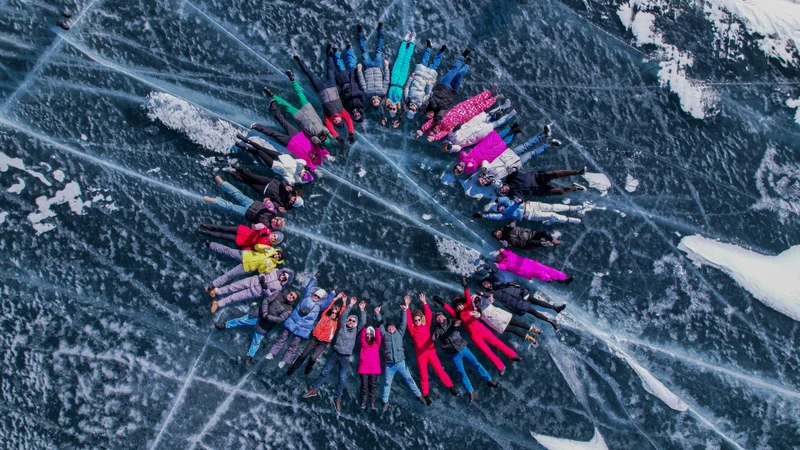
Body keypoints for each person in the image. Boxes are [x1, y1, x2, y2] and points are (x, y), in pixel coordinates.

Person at [434, 279, 519, 374]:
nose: (459, 307)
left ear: (463, 304)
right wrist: (442, 303)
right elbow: (450, 310)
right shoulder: (457, 316)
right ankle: (501, 367)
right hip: (474, 336)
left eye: (460, 305)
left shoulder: (469, 306)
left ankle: (513, 355)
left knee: (497, 342)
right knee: (486, 351)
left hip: (482, 330)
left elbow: (467, 297)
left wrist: (465, 286)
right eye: (457, 307)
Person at [302, 299, 367, 414]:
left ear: (355, 323)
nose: (351, 322)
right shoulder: (342, 326)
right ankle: (314, 390)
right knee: (324, 372)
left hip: (345, 357)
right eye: (350, 320)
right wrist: (350, 305)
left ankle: (337, 398)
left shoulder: (356, 330)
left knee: (342, 378)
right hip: (335, 354)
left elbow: (363, 322)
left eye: (353, 321)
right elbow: (343, 316)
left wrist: (362, 310)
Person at [213, 290, 299, 369]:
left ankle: (248, 357)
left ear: (294, 300)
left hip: (266, 324)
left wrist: (268, 317)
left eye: (293, 297)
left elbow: (280, 319)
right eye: (291, 294)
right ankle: (224, 325)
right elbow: (266, 301)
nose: (291, 297)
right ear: (288, 293)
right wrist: (265, 312)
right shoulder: (278, 294)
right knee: (240, 320)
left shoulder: (290, 309)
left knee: (257, 341)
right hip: (258, 314)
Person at [267, 274, 337, 368]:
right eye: (315, 295)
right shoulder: (306, 297)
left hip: (303, 328)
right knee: (282, 338)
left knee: (294, 345)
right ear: (313, 294)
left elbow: (328, 302)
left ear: (321, 299)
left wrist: (333, 293)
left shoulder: (320, 306)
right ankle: (272, 353)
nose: (316, 297)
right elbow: (308, 288)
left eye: (318, 297)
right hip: (292, 322)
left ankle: (284, 361)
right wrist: (314, 278)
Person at [431, 311, 499, 403]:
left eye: (441, 316)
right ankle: (471, 391)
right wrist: (434, 336)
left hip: (463, 348)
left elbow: (456, 322)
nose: (440, 318)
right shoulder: (438, 329)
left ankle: (489, 380)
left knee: (476, 363)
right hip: (453, 353)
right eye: (437, 318)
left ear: (444, 316)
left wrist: (457, 322)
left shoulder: (450, 321)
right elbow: (434, 337)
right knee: (461, 372)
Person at [248, 99, 333, 172]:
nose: (314, 156)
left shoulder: (306, 159)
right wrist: (327, 155)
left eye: (314, 158)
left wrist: (315, 170)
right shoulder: (315, 148)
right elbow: (322, 151)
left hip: (289, 143)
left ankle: (257, 126)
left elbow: (310, 166)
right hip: (297, 134)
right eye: (316, 155)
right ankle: (273, 107)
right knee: (283, 122)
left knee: (273, 133)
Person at [406, 293, 460, 405]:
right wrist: (407, 307)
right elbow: (408, 320)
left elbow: (429, 314)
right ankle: (426, 395)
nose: (417, 321)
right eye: (415, 320)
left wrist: (424, 302)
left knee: (440, 370)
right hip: (420, 355)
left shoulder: (426, 325)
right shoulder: (412, 330)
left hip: (431, 352)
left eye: (418, 320)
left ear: (421, 319)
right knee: (423, 375)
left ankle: (451, 387)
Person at [294, 50, 355, 145]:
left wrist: (337, 137)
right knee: (330, 70)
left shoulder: (328, 118)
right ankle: (329, 54)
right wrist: (351, 134)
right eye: (338, 121)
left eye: (335, 122)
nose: (336, 120)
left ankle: (299, 61)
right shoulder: (342, 112)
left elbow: (330, 128)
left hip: (320, 89)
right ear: (341, 119)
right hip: (332, 85)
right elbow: (349, 121)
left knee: (310, 75)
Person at [479, 267, 566, 330]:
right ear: (484, 287)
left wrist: (489, 270)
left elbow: (495, 275)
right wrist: (481, 293)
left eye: (486, 282)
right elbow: (486, 295)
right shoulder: (491, 293)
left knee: (537, 301)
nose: (486, 284)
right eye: (484, 285)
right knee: (534, 312)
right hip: (517, 303)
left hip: (519, 293)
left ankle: (555, 308)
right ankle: (551, 321)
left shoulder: (496, 283)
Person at [375, 304, 425, 410]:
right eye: (389, 327)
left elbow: (403, 323)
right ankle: (385, 402)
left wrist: (404, 311)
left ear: (395, 327)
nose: (391, 328)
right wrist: (377, 314)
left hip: (401, 363)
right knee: (387, 383)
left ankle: (419, 395)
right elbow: (380, 325)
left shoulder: (400, 332)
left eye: (392, 326)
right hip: (389, 365)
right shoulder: (384, 334)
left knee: (409, 379)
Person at [286, 295, 351, 376]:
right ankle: (293, 368)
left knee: (313, 357)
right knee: (303, 354)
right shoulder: (324, 315)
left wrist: (344, 302)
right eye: (333, 312)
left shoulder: (336, 322)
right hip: (314, 338)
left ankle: (309, 367)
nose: (334, 314)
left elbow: (342, 314)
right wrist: (336, 298)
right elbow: (329, 306)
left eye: (335, 313)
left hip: (323, 343)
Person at [263, 74, 334, 148]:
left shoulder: (313, 137)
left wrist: (319, 143)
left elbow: (313, 139)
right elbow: (326, 130)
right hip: (308, 109)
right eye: (325, 138)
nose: (323, 138)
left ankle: (272, 95)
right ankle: (293, 80)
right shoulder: (322, 129)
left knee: (286, 106)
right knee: (300, 95)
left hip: (299, 117)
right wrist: (330, 135)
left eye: (323, 141)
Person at [203, 176, 287, 230]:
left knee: (230, 206)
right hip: (251, 203)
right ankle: (222, 183)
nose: (275, 221)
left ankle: (214, 200)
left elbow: (259, 227)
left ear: (276, 226)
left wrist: (255, 227)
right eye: (277, 220)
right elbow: (270, 206)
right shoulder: (273, 213)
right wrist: (267, 201)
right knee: (237, 194)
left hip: (246, 213)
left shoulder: (267, 226)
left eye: (276, 223)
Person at [205, 241, 287, 295]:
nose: (277, 256)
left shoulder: (273, 265)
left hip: (248, 267)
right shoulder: (271, 249)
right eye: (278, 254)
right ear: (278, 251)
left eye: (279, 257)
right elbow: (256, 246)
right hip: (246, 255)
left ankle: (213, 284)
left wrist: (266, 266)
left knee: (230, 275)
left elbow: (260, 271)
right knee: (228, 251)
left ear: (279, 260)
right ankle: (211, 245)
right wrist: (263, 248)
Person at [416, 88, 498, 142]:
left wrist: (422, 130)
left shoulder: (437, 121)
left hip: (458, 108)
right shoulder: (445, 131)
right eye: (435, 133)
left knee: (474, 100)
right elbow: (440, 135)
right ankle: (494, 99)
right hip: (464, 116)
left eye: (433, 130)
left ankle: (490, 92)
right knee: (479, 108)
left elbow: (429, 123)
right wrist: (434, 138)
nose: (435, 131)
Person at [232, 136, 313, 185]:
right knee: (262, 149)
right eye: (304, 174)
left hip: (274, 165)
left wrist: (291, 183)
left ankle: (244, 147)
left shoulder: (294, 179)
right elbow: (299, 161)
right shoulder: (300, 168)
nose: (302, 175)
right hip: (281, 157)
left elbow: (288, 179)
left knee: (259, 152)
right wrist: (304, 164)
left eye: (303, 178)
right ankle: (246, 140)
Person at [207, 268, 295, 313]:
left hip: (254, 292)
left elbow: (270, 295)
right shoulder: (274, 271)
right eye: (283, 274)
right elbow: (263, 272)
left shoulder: (279, 287)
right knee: (233, 286)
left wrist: (265, 288)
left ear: (285, 280)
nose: (283, 276)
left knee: (235, 297)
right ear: (282, 273)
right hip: (251, 281)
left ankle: (218, 303)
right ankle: (216, 291)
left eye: (285, 278)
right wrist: (262, 277)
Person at [442, 100, 515, 151]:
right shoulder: (457, 146)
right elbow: (457, 148)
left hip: (473, 124)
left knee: (489, 115)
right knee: (495, 124)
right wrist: (451, 147)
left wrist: (455, 129)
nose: (447, 146)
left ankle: (504, 106)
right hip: (478, 134)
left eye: (446, 146)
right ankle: (508, 116)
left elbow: (452, 133)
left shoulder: (450, 137)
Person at [402, 39, 446, 120]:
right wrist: (429, 84)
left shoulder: (407, 99)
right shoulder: (422, 103)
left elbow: (407, 88)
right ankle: (441, 52)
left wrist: (410, 78)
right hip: (426, 81)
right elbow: (428, 94)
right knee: (434, 66)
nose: (412, 108)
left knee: (424, 61)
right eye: (413, 110)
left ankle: (429, 47)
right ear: (416, 111)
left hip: (418, 77)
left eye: (410, 109)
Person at [230, 167, 304, 213]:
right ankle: (236, 168)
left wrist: (278, 207)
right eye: (295, 199)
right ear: (296, 196)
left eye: (293, 202)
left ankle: (232, 173)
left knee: (248, 182)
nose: (292, 200)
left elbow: (273, 203)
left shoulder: (284, 205)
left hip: (264, 191)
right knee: (252, 176)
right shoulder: (291, 191)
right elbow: (283, 182)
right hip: (269, 182)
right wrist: (285, 186)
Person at [472, 292, 540, 343]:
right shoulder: (478, 311)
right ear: (474, 304)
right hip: (499, 324)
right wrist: (475, 314)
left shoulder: (485, 302)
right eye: (475, 302)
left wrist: (490, 298)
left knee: (518, 323)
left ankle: (532, 330)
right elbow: (478, 315)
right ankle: (529, 337)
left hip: (503, 317)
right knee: (514, 330)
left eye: (478, 300)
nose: (478, 302)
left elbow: (489, 300)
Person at [424, 50, 472, 122]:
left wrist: (429, 84)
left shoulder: (428, 104)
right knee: (460, 74)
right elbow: (443, 114)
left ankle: (463, 56)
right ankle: (467, 65)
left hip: (443, 85)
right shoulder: (440, 111)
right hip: (452, 91)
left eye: (428, 114)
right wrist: (438, 119)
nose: (430, 114)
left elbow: (428, 94)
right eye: (430, 116)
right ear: (433, 117)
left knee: (454, 70)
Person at [475, 196, 584, 225]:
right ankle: (569, 219)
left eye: (499, 206)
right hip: (529, 215)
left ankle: (571, 208)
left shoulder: (507, 202)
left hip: (531, 205)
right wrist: (484, 216)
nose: (500, 208)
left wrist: (499, 200)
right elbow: (495, 217)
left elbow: (505, 199)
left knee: (552, 207)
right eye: (498, 209)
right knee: (552, 214)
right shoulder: (504, 214)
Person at [493, 248, 573, 284]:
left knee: (547, 269)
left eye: (498, 255)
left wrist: (501, 250)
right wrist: (497, 265)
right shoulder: (504, 265)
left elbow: (506, 250)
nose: (498, 257)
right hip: (526, 272)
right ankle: (550, 279)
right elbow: (501, 267)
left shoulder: (508, 254)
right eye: (497, 258)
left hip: (530, 263)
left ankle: (564, 278)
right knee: (540, 273)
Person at [356, 23, 390, 108]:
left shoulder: (367, 93)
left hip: (367, 67)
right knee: (379, 50)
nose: (375, 101)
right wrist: (386, 67)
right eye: (377, 102)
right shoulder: (383, 92)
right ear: (379, 101)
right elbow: (386, 80)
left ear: (372, 102)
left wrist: (359, 70)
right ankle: (380, 31)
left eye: (374, 102)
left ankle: (360, 33)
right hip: (378, 66)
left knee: (363, 51)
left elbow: (362, 81)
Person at [499, 166, 586, 198]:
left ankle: (577, 172)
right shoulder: (512, 194)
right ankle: (575, 187)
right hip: (539, 190)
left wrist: (513, 169)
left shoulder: (509, 179)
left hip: (537, 178)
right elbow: (520, 199)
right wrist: (519, 201)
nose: (504, 189)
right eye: (503, 191)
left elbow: (515, 171)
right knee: (560, 192)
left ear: (503, 185)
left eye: (502, 188)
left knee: (556, 174)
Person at [333, 44, 366, 122]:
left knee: (340, 68)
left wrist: (343, 92)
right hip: (354, 81)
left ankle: (336, 52)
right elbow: (361, 93)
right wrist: (350, 95)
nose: (356, 114)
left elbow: (342, 100)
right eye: (358, 115)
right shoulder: (362, 105)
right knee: (351, 65)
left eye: (355, 116)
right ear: (361, 113)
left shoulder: (347, 108)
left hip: (345, 84)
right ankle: (349, 49)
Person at [197, 222, 284, 250]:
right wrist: (257, 226)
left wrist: (245, 249)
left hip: (242, 240)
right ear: (274, 233)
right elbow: (258, 228)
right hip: (242, 230)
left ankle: (204, 232)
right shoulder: (267, 230)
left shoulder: (267, 245)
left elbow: (253, 247)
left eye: (275, 239)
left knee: (223, 236)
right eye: (274, 235)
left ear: (275, 241)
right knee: (224, 228)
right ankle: (205, 225)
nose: (273, 237)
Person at [357, 325, 382, 410]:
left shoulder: (376, 343)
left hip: (374, 369)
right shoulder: (363, 342)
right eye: (367, 334)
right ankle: (363, 402)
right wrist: (364, 328)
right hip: (363, 368)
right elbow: (362, 336)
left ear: (373, 335)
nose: (369, 335)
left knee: (373, 386)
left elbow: (378, 337)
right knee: (364, 386)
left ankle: (372, 403)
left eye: (370, 334)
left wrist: (377, 327)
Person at [493, 221, 560, 250]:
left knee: (546, 233)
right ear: (499, 238)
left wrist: (512, 223)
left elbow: (514, 220)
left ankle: (552, 240)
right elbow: (509, 248)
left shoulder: (506, 227)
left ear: (499, 230)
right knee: (534, 243)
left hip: (531, 234)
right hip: (526, 244)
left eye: (498, 232)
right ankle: (545, 243)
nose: (499, 234)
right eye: (498, 236)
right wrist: (507, 246)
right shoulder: (504, 241)